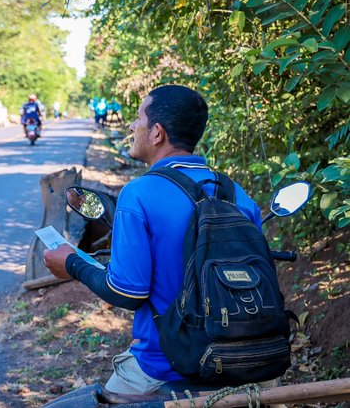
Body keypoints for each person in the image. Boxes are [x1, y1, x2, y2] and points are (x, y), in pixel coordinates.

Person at [43, 85, 261, 395]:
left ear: (157, 133)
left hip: (164, 366)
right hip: (244, 362)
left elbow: (126, 292)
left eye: (138, 118)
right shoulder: (238, 194)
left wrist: (72, 264)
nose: (132, 126)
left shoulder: (140, 193)